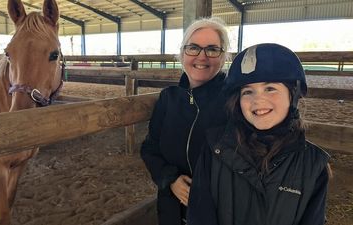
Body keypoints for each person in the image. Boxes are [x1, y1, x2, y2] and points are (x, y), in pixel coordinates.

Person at [187, 43, 331, 225]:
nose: (258, 100)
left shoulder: (313, 165)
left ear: (292, 94)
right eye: (247, 92)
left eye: (270, 88)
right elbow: (200, 215)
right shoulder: (214, 149)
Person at [140, 17, 231, 225]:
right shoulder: (168, 98)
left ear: (223, 56)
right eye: (193, 48)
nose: (202, 56)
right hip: (171, 209)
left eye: (212, 49)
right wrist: (170, 179)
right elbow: (150, 148)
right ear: (182, 53)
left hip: (218, 214)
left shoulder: (234, 101)